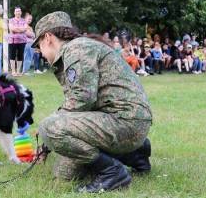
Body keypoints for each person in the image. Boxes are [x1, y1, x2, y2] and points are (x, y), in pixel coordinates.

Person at [33, 11, 152, 193]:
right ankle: (134, 154)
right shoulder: (79, 48)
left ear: (48, 37)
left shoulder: (76, 49)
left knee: (49, 127)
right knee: (63, 173)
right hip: (128, 122)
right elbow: (80, 104)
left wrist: (49, 134)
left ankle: (112, 172)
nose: (40, 52)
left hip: (124, 122)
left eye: (39, 45)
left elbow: (82, 98)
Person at [8, 6, 27, 76]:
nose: (18, 12)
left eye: (19, 11)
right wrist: (20, 29)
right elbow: (11, 28)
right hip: (12, 41)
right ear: (14, 12)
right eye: (16, 11)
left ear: (21, 12)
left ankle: (18, 71)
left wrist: (16, 29)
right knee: (12, 55)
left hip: (22, 41)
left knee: (20, 56)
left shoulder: (24, 20)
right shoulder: (11, 20)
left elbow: (25, 29)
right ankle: (13, 71)